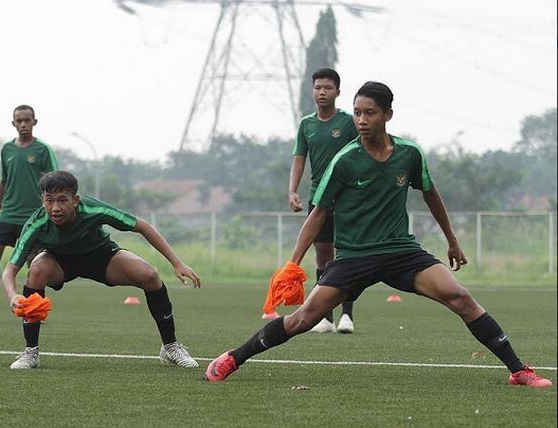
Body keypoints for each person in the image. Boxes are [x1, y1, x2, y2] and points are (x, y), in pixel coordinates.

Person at [205, 81, 552, 388]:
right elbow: (318, 213)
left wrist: (452, 239)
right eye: (357, 113)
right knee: (303, 319)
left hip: (402, 251)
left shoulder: (409, 154)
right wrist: (292, 264)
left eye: (369, 113)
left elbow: (430, 193)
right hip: (355, 256)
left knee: (459, 296)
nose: (361, 120)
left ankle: (518, 370)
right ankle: (234, 357)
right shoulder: (344, 160)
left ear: (387, 115)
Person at [1, 170, 202, 369]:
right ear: (42, 200)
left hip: (99, 256)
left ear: (75, 199)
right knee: (36, 270)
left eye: (62, 200)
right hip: (60, 261)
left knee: (149, 275)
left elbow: (143, 226)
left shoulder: (94, 210)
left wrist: (177, 263)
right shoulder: (36, 224)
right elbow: (10, 270)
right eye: (49, 200)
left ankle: (170, 347)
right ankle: (31, 353)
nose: (55, 208)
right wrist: (12, 295)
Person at [275, 68, 359, 334]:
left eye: (327, 88)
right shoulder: (307, 125)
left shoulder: (348, 122)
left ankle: (347, 316)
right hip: (319, 199)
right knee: (323, 255)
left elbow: (362, 153)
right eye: (317, 88)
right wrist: (292, 190)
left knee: (346, 253)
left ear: (337, 91)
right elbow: (299, 159)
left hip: (348, 198)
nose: (322, 92)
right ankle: (325, 318)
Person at [0, 105, 58, 323]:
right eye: (19, 121)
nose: (23, 124)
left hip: (32, 216)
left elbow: (53, 180)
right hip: (8, 214)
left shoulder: (42, 150)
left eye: (27, 120)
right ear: (13, 123)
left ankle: (36, 310)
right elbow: (4, 181)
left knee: (33, 263)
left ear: (34, 122)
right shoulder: (6, 150)